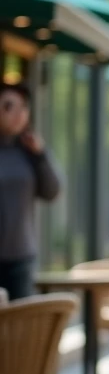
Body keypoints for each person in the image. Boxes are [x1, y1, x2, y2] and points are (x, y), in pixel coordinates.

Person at [0, 82, 60, 300]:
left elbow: (52, 191)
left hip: (21, 258)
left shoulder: (29, 151)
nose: (18, 114)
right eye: (8, 106)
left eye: (23, 107)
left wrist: (41, 155)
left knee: (20, 326)